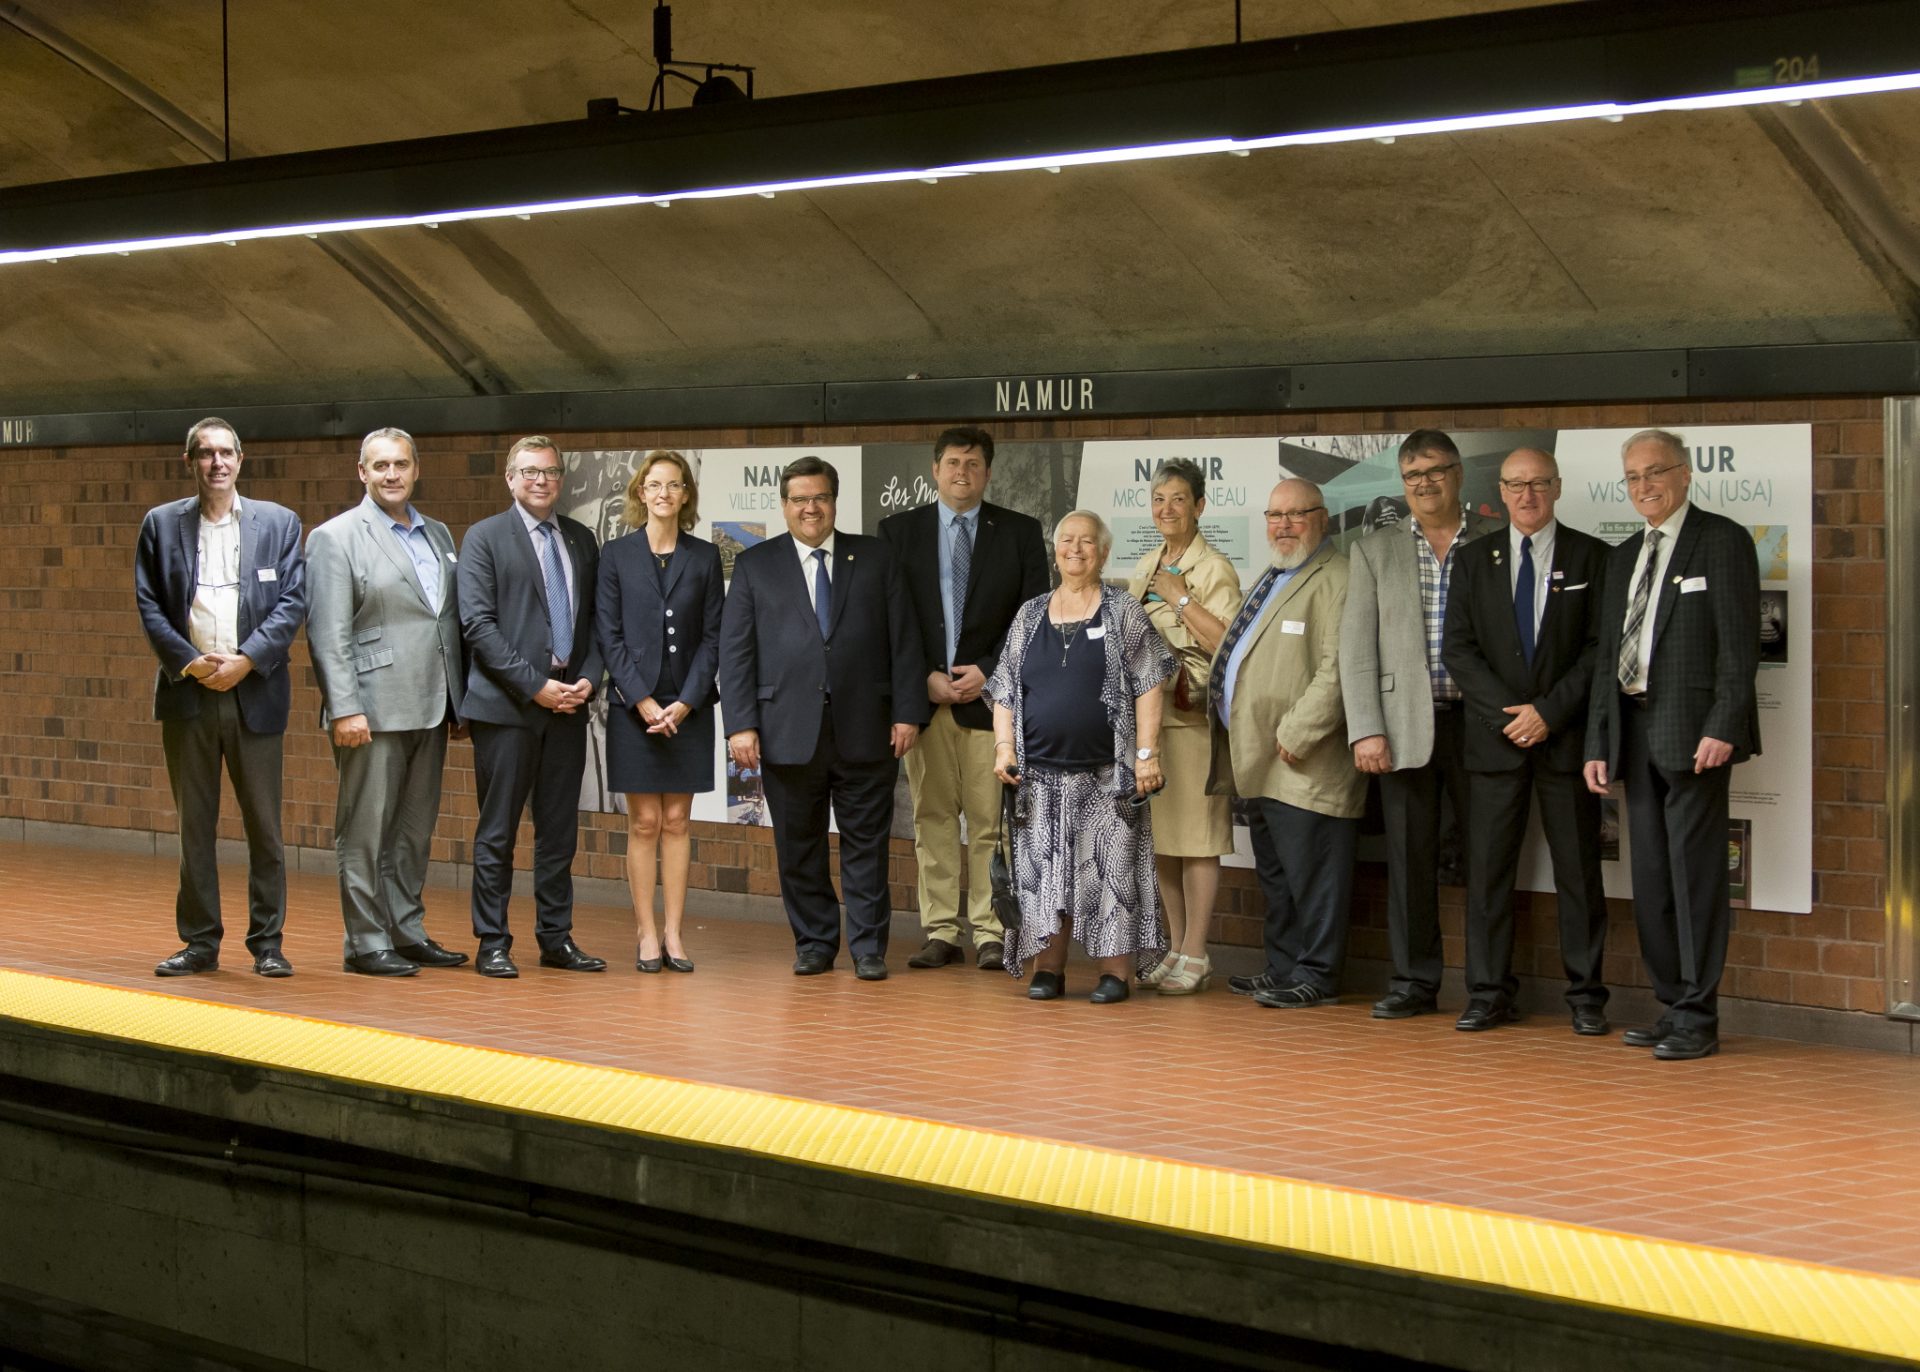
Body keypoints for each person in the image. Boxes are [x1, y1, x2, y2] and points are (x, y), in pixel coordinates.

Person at [1584, 429, 1760, 1061]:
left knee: (1696, 880)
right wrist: (1598, 740)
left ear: (1685, 475)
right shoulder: (1623, 554)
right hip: (1632, 734)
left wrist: (1724, 725)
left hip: (1694, 737)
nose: (1644, 486)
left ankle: (1698, 1016)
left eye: (1655, 472)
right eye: (1632, 477)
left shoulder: (1722, 539)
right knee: (1652, 880)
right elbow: (1609, 658)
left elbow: (1741, 649)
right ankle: (1670, 1003)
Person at [717, 456, 927, 980]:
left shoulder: (876, 557)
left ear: (835, 500)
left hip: (868, 727)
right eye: (799, 499)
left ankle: (868, 948)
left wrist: (907, 713)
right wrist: (740, 724)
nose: (810, 508)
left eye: (820, 497)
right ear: (785, 505)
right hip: (786, 731)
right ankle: (813, 942)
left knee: (866, 844)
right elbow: (735, 652)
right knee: (798, 845)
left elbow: (904, 641)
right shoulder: (755, 565)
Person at [1441, 448, 1610, 1034]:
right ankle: (1488, 993)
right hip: (1495, 741)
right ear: (1501, 491)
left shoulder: (1595, 556)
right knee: (1487, 873)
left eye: (1538, 483)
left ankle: (1587, 996)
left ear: (1557, 487)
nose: (1527, 495)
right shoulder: (1472, 560)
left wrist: (1549, 713)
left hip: (1564, 740)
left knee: (1579, 873)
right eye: (1515, 485)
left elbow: (1600, 650)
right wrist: (1511, 716)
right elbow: (1457, 649)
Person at [1340, 430, 1505, 1019]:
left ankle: (1489, 991)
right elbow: (1357, 650)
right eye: (1413, 475)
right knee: (1409, 862)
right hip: (1404, 724)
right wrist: (1366, 728)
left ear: (1459, 475)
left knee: (1488, 861)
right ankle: (1414, 982)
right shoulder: (1373, 548)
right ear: (1402, 485)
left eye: (1435, 471)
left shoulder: (1496, 541)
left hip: (1484, 725)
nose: (1425, 484)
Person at [134, 418, 306, 978]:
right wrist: (191, 664)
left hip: (254, 691)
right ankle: (200, 942)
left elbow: (291, 603)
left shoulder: (278, 524)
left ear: (241, 458)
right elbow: (150, 604)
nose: (217, 463)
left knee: (265, 827)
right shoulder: (161, 525)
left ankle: (268, 944)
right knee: (195, 827)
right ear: (190, 462)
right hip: (190, 694)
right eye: (205, 454)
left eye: (226, 452)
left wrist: (247, 660)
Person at [987, 511, 1176, 1004]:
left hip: (1107, 778)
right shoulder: (1029, 615)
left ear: (1103, 552)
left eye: (1087, 541)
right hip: (1039, 781)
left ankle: (1116, 974)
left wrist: (1146, 755)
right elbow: (1005, 689)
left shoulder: (1122, 612)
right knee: (1048, 878)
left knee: (1111, 874)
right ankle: (1050, 970)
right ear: (1055, 551)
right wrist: (1004, 748)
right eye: (1067, 540)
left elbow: (1150, 681)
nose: (1076, 549)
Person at [879, 426, 1048, 973]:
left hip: (989, 706)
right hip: (926, 705)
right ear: (935, 469)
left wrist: (993, 671)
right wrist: (921, 678)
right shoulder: (897, 533)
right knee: (931, 821)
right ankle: (940, 931)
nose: (962, 472)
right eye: (952, 462)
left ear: (988, 471)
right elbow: (889, 622)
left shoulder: (1019, 533)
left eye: (973, 464)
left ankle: (991, 932)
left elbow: (1034, 620)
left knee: (989, 825)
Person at [305, 428, 469, 976]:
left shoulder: (439, 534)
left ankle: (406, 928)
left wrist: (459, 699)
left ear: (416, 469)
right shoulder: (336, 537)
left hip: (432, 701)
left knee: (414, 828)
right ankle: (365, 940)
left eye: (401, 464)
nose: (391, 474)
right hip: (371, 707)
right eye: (380, 466)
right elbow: (328, 633)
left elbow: (444, 620)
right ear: (362, 472)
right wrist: (346, 707)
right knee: (365, 828)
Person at [457, 436, 608, 979]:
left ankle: (556, 937)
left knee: (559, 831)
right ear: (509, 478)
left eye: (549, 472)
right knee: (497, 831)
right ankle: (492, 940)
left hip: (569, 706)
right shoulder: (484, 538)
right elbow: (478, 626)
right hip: (507, 710)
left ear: (560, 479)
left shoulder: (580, 538)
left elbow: (595, 622)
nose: (540, 481)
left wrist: (587, 677)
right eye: (529, 472)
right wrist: (535, 685)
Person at [1211, 481, 1363, 1009]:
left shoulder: (1338, 577)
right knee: (1277, 877)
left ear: (1323, 519)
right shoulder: (1276, 573)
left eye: (1296, 515)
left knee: (1315, 876)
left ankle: (1317, 974)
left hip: (1305, 759)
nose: (1283, 525)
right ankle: (1282, 967)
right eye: (1275, 514)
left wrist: (1297, 733)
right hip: (1261, 759)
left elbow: (1340, 670)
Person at [595, 450, 723, 974]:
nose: (664, 493)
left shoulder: (705, 556)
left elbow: (715, 636)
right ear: (640, 493)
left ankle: (674, 933)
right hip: (634, 706)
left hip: (687, 707)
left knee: (677, 819)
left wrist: (687, 702)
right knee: (645, 821)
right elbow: (609, 633)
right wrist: (641, 698)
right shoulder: (616, 554)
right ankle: (645, 933)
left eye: (674, 485)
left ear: (686, 494)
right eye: (655, 484)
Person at [1125, 457, 1242, 994]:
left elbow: (1226, 643)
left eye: (1178, 499)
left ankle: (1198, 951)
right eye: (1158, 499)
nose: (1167, 508)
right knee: (1163, 842)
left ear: (1199, 506)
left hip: (1192, 722)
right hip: (1150, 726)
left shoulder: (1214, 568)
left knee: (1197, 839)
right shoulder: (1144, 565)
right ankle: (1175, 947)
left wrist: (1181, 598)